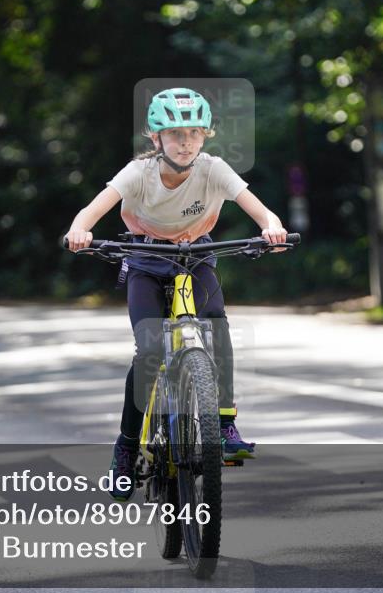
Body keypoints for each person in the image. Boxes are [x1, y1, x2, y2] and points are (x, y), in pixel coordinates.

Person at [64, 87, 289, 501]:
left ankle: (225, 425)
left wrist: (271, 227)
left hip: (195, 256)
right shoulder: (139, 173)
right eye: (175, 134)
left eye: (194, 133)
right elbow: (89, 213)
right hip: (147, 260)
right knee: (149, 351)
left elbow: (260, 210)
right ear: (156, 138)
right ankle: (126, 449)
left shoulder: (214, 169)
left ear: (206, 136)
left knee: (216, 324)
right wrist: (80, 231)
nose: (185, 142)